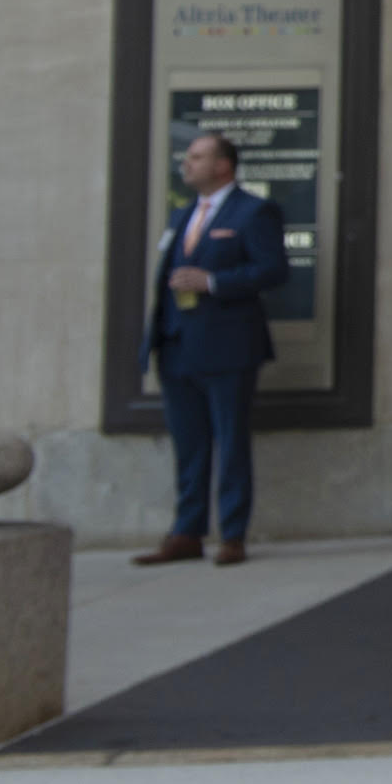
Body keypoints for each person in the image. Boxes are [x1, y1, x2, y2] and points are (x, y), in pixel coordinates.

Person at [132, 131, 290, 567]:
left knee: (230, 440)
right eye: (188, 156)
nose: (188, 164)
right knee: (189, 443)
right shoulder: (181, 215)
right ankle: (187, 531)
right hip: (177, 344)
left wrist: (214, 282)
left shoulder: (253, 211)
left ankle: (233, 534)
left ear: (223, 165)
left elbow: (273, 270)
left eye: (197, 156)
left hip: (228, 346)